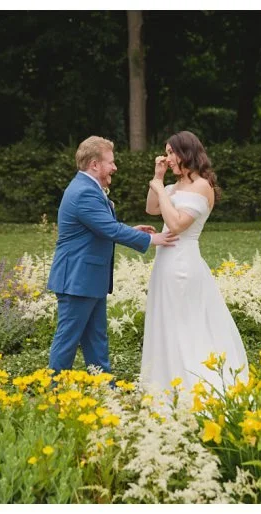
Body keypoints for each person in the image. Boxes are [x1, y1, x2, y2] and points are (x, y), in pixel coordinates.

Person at [47, 136, 177, 375]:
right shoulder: (84, 191)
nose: (115, 168)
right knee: (68, 339)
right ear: (94, 164)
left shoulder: (88, 188)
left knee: (96, 338)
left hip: (88, 278)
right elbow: (108, 229)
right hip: (76, 278)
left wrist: (132, 230)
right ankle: (53, 389)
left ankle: (103, 385)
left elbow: (101, 224)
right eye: (111, 162)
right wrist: (151, 240)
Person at [141, 131, 248, 393]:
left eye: (170, 153)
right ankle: (167, 386)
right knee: (166, 323)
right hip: (165, 263)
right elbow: (152, 209)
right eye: (165, 153)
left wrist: (160, 190)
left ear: (186, 153)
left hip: (183, 265)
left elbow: (176, 224)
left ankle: (197, 386)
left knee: (185, 325)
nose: (167, 158)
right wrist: (158, 180)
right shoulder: (172, 187)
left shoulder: (202, 186)